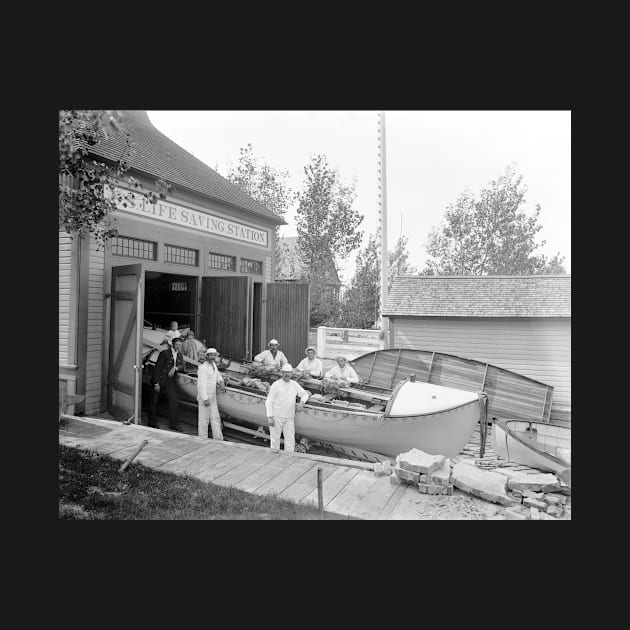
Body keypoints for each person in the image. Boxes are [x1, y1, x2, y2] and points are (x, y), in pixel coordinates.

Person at [265, 364, 309, 452]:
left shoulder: (294, 384)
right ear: (282, 373)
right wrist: (269, 417)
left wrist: (302, 402)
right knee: (275, 438)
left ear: (291, 374)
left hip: (289, 417)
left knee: (290, 439)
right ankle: (274, 455)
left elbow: (305, 394)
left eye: (288, 373)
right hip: (276, 416)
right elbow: (269, 401)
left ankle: (289, 457)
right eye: (285, 372)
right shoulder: (276, 385)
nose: (287, 375)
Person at [149, 336, 186, 431]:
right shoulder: (164, 353)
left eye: (180, 345)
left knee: (173, 402)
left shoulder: (180, 355)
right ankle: (152, 422)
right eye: (177, 344)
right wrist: (156, 383)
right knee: (154, 402)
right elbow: (157, 369)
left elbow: (182, 366)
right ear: (172, 344)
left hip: (170, 382)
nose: (178, 346)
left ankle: (173, 424)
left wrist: (175, 368)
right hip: (160, 380)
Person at [196, 348, 226, 440]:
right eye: (211, 355)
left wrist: (221, 382)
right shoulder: (203, 368)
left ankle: (218, 438)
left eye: (214, 355)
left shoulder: (213, 365)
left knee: (215, 418)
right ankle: (202, 438)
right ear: (207, 356)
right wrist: (205, 398)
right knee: (204, 419)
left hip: (213, 395)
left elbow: (217, 375)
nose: (213, 357)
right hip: (205, 396)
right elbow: (201, 385)